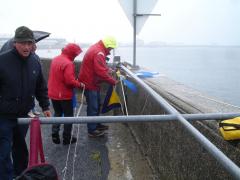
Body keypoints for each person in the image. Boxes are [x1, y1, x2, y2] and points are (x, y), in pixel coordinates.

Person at [0, 26, 51, 180]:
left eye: (30, 43)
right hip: (4, 116)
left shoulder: (35, 62)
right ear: (15, 43)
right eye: (23, 43)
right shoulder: (2, 60)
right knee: (3, 151)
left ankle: (20, 175)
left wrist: (45, 106)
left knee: (21, 149)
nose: (27, 47)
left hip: (24, 115)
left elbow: (40, 86)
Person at [78, 36, 118, 138]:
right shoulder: (99, 53)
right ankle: (92, 130)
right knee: (93, 107)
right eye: (111, 48)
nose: (111, 50)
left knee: (96, 105)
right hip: (90, 83)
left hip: (91, 82)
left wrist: (108, 70)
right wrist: (113, 81)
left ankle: (96, 124)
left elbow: (99, 66)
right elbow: (101, 72)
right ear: (108, 46)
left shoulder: (97, 49)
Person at [48, 43, 83, 145]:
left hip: (53, 93)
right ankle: (67, 138)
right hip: (63, 94)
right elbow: (69, 81)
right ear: (72, 53)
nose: (76, 56)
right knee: (68, 116)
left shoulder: (55, 59)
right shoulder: (68, 63)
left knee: (58, 113)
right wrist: (80, 84)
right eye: (76, 54)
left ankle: (55, 132)